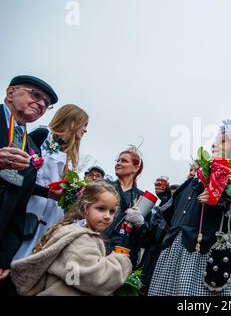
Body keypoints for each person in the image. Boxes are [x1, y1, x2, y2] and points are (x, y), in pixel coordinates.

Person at [148, 120, 231, 296]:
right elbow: (174, 220)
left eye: (223, 140)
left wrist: (228, 204)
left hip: (212, 260)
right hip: (174, 259)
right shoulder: (194, 180)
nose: (215, 144)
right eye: (216, 140)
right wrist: (166, 197)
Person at [10, 181, 132, 296]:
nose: (107, 216)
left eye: (111, 212)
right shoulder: (80, 238)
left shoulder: (76, 231)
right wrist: (120, 261)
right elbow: (94, 279)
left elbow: (72, 276)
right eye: (101, 208)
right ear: (85, 207)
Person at [0, 75, 58, 294]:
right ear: (11, 92)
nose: (42, 104)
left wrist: (5, 257)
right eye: (36, 95)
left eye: (46, 104)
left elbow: (18, 207)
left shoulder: (33, 148)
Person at [14, 104, 89, 260]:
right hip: (29, 205)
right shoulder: (42, 135)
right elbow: (19, 175)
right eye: (84, 124)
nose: (85, 130)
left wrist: (73, 193)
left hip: (50, 215)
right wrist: (45, 192)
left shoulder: (71, 154)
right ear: (73, 121)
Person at [103, 148, 145, 268]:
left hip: (124, 254)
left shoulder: (142, 198)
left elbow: (146, 238)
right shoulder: (103, 186)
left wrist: (140, 222)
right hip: (98, 245)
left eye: (124, 161)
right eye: (118, 160)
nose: (118, 163)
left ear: (136, 168)